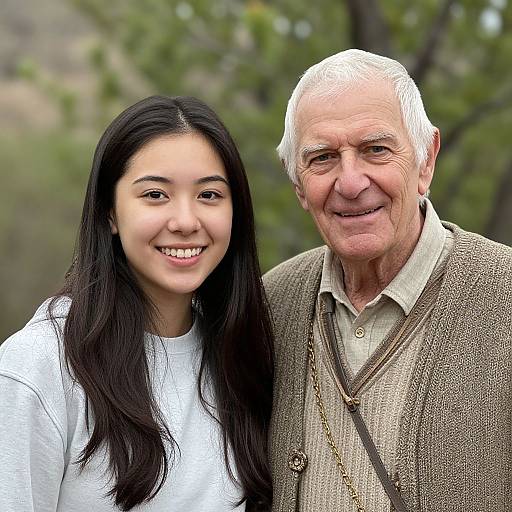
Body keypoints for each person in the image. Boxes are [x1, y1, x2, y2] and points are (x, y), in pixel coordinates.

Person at [264, 49, 512, 512]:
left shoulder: (505, 297)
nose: (351, 182)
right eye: (322, 158)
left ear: (425, 161)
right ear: (298, 184)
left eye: (375, 149)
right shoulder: (269, 307)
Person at [0, 95, 273, 512]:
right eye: (155, 195)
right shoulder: (40, 367)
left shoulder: (241, 354)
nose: (185, 221)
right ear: (110, 212)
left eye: (210, 195)